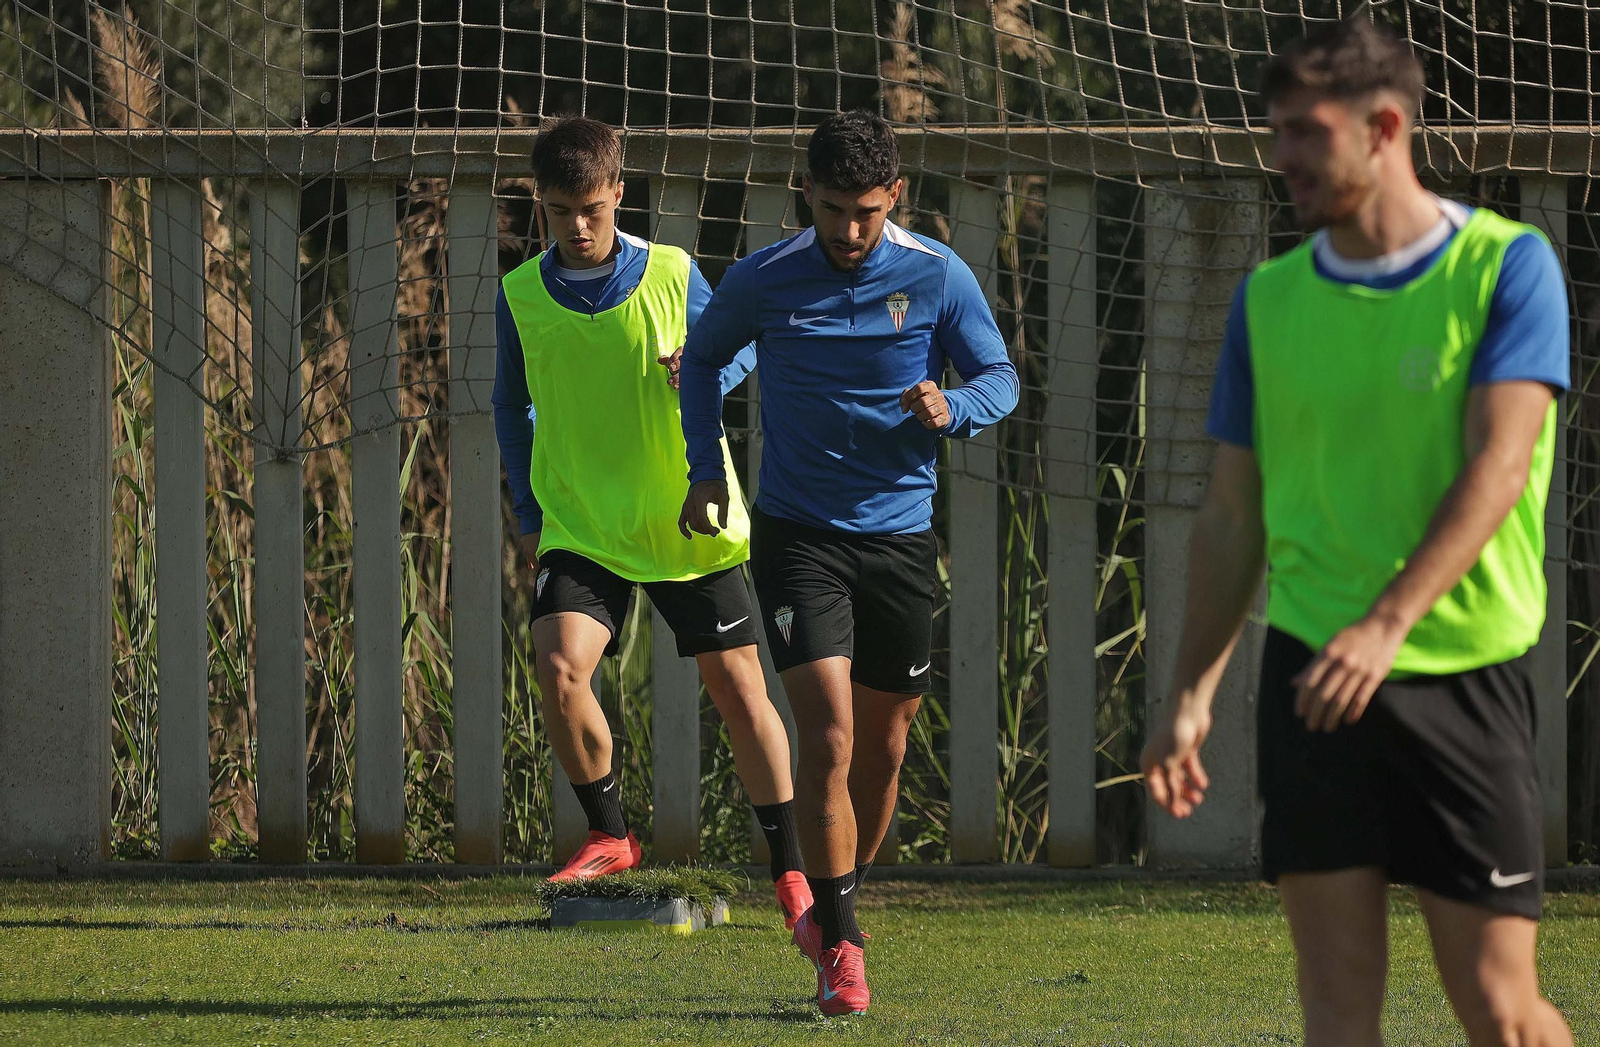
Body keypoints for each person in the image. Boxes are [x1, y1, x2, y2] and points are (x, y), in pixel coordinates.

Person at [1139, 19, 1574, 1047]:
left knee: (1501, 1014)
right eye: (1275, 131)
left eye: (1305, 132)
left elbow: (1499, 468)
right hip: (1311, 687)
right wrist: (1190, 694)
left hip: (1459, 677)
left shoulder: (1506, 268)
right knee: (1337, 1021)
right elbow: (1230, 515)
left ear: (1384, 127)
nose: (1281, 156)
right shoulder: (1266, 302)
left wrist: (1385, 628)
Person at [676, 110, 1019, 1016]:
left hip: (901, 540)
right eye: (833, 210)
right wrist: (706, 469)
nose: (849, 230)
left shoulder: (938, 275)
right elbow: (704, 358)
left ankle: (836, 905)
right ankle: (845, 950)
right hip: (799, 537)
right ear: (808, 195)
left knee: (885, 748)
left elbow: (1002, 375)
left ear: (894, 197)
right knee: (826, 736)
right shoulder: (767, 277)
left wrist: (958, 405)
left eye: (866, 212)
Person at [491, 116, 811, 929]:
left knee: (741, 690)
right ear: (542, 206)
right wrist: (530, 513)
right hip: (583, 523)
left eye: (592, 207)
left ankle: (793, 870)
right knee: (560, 666)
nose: (579, 225)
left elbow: (738, 351)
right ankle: (609, 832)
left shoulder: (671, 271)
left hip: (684, 518)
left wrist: (701, 367)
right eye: (562, 211)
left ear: (618, 196)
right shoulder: (520, 294)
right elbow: (508, 406)